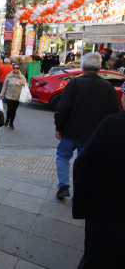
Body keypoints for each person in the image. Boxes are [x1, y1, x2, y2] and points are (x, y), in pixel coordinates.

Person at [72, 82, 125, 269]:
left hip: (109, 217)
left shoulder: (114, 126)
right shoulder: (109, 92)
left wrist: (82, 206)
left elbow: (84, 167)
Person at [54, 52, 120, 199]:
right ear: (100, 67)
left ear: (83, 67)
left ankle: (63, 186)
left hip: (70, 131)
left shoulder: (74, 84)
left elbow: (62, 109)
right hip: (94, 134)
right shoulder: (108, 87)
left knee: (63, 156)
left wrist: (59, 127)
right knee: (85, 162)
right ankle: (81, 189)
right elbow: (114, 112)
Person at [0, 63, 27, 130]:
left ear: (19, 69)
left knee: (14, 111)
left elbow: (27, 85)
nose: (15, 69)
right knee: (9, 110)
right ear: (13, 68)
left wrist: (24, 84)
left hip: (17, 97)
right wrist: (1, 95)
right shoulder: (8, 76)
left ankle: (11, 123)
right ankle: (7, 119)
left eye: (17, 68)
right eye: (14, 68)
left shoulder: (22, 77)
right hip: (9, 96)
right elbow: (4, 86)